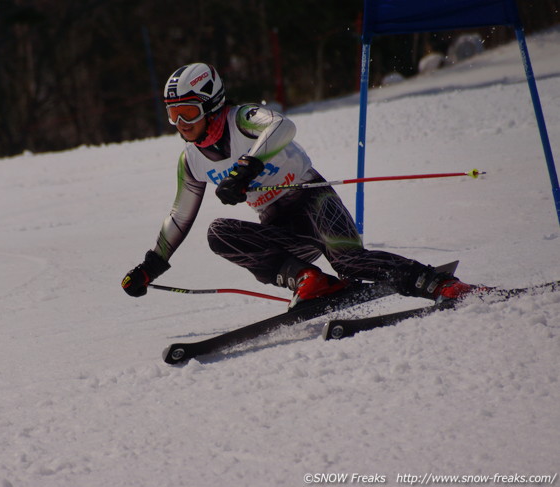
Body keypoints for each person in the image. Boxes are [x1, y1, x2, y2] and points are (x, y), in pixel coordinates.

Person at [121, 63, 474, 309]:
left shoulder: (241, 118)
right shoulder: (191, 160)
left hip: (313, 200)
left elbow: (282, 126)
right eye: (173, 114)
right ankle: (309, 279)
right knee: (219, 233)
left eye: (188, 112)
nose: (181, 123)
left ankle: (438, 284)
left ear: (212, 104)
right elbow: (179, 215)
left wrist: (247, 167)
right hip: (280, 226)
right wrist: (151, 266)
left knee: (351, 263)